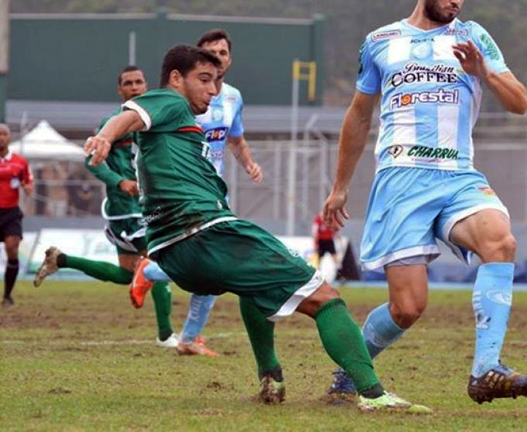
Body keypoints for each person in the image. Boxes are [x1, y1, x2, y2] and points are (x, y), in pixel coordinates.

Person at [85, 44, 429, 413]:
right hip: (205, 231)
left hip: (173, 252)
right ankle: (373, 395)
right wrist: (106, 136)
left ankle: (271, 376)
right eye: (204, 79)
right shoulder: (170, 102)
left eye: (216, 81)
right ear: (175, 78)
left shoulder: (179, 123)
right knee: (327, 299)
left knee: (253, 287)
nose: (212, 90)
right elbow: (131, 115)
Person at [322, 0, 527, 404]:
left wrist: (484, 72)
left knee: (500, 241)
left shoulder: (474, 36)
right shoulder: (380, 42)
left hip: (459, 176)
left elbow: (520, 102)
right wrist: (340, 186)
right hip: (401, 179)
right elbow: (360, 114)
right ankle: (350, 374)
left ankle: (486, 370)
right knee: (407, 308)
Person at [130, 29, 263, 357]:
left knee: (212, 264)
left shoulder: (233, 97)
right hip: (181, 190)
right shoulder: (180, 97)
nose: (219, 57)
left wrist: (249, 164)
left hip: (213, 189)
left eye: (224, 52)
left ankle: (187, 334)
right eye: (211, 51)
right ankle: (153, 277)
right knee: (212, 262)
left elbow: (235, 138)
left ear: (229, 59)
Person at [33, 66, 177, 348]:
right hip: (127, 210)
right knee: (156, 261)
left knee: (127, 274)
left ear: (146, 86)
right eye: (128, 83)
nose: (135, 87)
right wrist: (119, 180)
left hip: (145, 207)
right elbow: (90, 160)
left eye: (139, 82)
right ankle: (165, 335)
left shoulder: (151, 122)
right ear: (120, 90)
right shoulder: (112, 122)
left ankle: (61, 260)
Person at [0, 123, 33, 307]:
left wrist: (28, 188)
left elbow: (28, 181)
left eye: (4, 134)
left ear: (9, 137)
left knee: (12, 248)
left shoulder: (20, 162)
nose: (1, 137)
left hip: (11, 212)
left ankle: (7, 296)